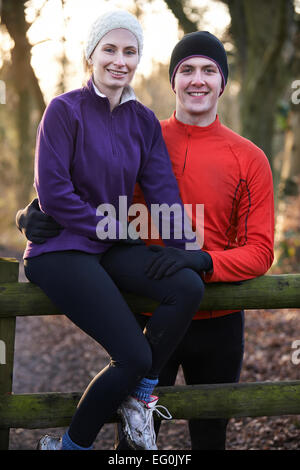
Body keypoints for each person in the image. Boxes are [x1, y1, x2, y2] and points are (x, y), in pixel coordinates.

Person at [17, 29, 275, 450]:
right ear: (171, 79)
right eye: (186, 70)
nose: (198, 80)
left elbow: (261, 251)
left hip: (218, 320)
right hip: (152, 314)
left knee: (210, 436)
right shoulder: (141, 131)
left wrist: (205, 261)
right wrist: (28, 213)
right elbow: (88, 189)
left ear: (222, 82)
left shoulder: (248, 157)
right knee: (135, 447)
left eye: (209, 70)